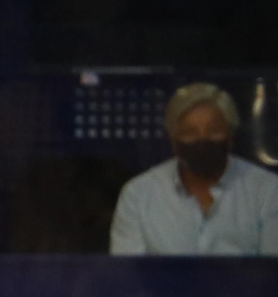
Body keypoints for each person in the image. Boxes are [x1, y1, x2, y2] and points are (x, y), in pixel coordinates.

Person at [110, 82, 278, 256]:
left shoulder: (267, 191)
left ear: (230, 136)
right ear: (174, 141)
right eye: (190, 132)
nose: (202, 139)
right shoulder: (138, 195)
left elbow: (272, 275)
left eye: (213, 130)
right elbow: (127, 277)